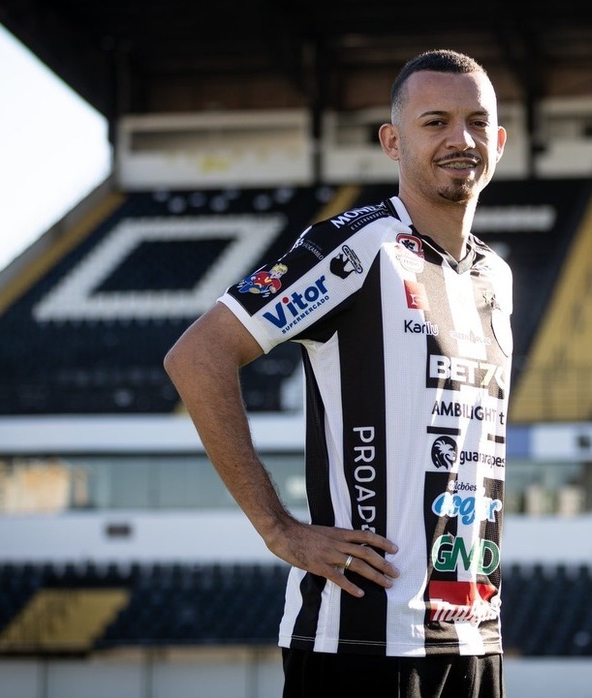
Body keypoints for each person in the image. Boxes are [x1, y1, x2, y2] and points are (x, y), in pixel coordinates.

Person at [164, 49, 512, 698]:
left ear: (498, 142)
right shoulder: (359, 245)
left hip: (472, 636)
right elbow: (197, 356)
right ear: (393, 142)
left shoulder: (495, 275)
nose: (460, 139)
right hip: (359, 642)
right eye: (435, 122)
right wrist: (280, 530)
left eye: (475, 122)